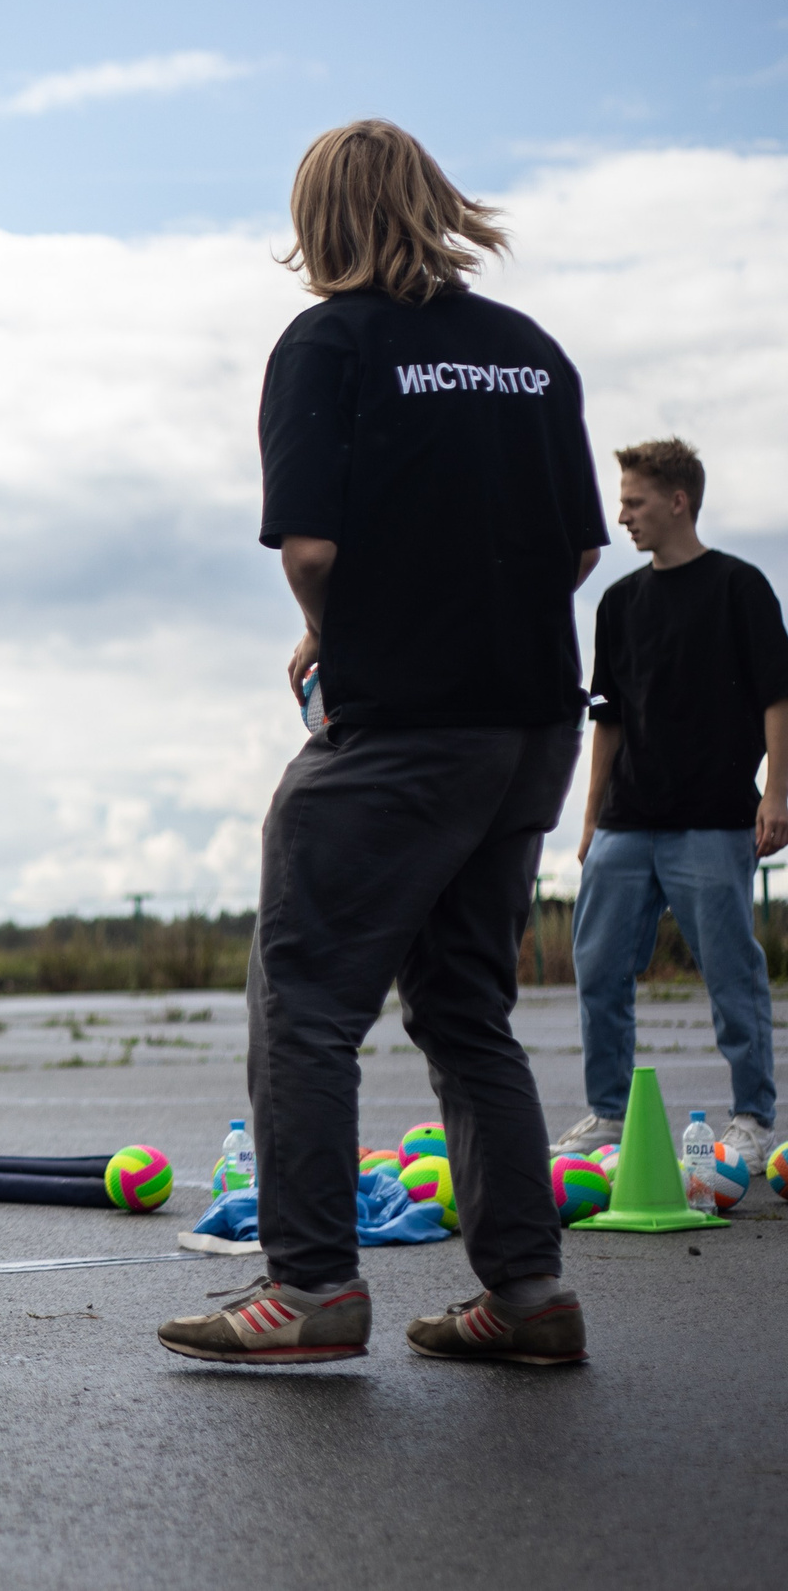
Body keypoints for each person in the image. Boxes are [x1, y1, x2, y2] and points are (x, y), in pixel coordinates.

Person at [157, 121, 604, 1367]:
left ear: (318, 220)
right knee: (467, 1010)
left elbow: (312, 550)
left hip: (399, 727)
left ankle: (308, 1289)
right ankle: (527, 1295)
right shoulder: (528, 350)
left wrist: (333, 633)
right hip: (529, 727)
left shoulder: (329, 340)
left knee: (302, 1004)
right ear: (434, 203)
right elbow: (575, 550)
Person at [557, 439, 786, 1166]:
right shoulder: (619, 602)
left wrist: (777, 793)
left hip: (713, 818)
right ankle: (609, 1116)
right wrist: (591, 817)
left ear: (678, 501)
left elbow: (779, 696)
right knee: (596, 968)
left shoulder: (739, 587)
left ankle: (751, 1117)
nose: (621, 515)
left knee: (730, 972)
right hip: (627, 821)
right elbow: (609, 719)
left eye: (634, 501)